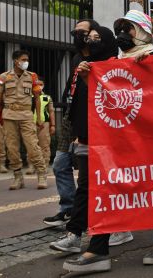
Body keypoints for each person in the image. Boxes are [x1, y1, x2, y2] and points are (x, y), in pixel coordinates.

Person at [49, 25, 118, 274]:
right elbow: (77, 102)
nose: (90, 41)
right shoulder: (84, 65)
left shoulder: (115, 68)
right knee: (88, 188)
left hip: (111, 142)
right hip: (88, 139)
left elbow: (113, 104)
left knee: (105, 190)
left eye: (97, 38)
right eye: (90, 38)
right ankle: (79, 236)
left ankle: (100, 245)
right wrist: (80, 135)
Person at [43, 19, 99, 226]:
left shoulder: (99, 59)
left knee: (87, 173)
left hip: (88, 120)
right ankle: (68, 209)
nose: (77, 36)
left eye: (81, 32)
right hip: (70, 116)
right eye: (74, 32)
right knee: (59, 164)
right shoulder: (76, 58)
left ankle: (85, 214)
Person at [0, 50, 47, 190]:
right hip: (9, 115)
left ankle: (41, 174)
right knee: (12, 148)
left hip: (26, 115)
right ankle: (18, 177)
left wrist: (38, 117)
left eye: (27, 59)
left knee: (32, 146)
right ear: (16, 61)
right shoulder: (3, 77)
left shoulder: (32, 77)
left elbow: (37, 99)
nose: (26, 62)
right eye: (23, 59)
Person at [32, 77, 55, 169]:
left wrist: (52, 125)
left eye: (41, 84)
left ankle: (44, 165)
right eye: (37, 84)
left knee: (44, 145)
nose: (39, 86)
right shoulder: (30, 97)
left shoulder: (47, 97)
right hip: (31, 123)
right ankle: (31, 166)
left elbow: (51, 111)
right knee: (32, 145)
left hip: (44, 124)